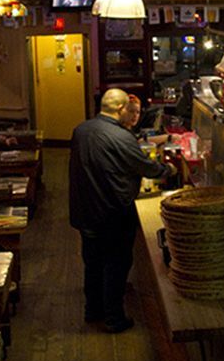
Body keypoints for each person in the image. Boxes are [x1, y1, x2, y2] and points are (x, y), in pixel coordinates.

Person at [69, 88, 175, 333]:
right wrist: (167, 171)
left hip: (85, 210)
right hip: (111, 212)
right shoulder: (121, 136)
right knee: (116, 264)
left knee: (92, 263)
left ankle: (92, 310)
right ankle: (114, 319)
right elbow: (144, 166)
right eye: (128, 107)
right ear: (120, 109)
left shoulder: (81, 130)